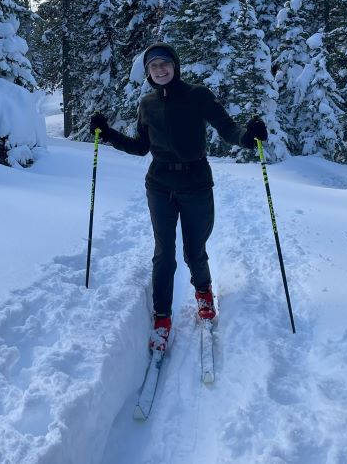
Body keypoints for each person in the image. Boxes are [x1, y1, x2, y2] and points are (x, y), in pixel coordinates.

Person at [90, 42, 268, 352]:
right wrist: (107, 134)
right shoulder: (147, 104)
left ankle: (203, 293)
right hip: (159, 183)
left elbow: (227, 128)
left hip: (196, 182)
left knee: (194, 249)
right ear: (148, 72)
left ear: (175, 66)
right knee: (164, 252)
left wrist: (248, 136)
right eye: (153, 66)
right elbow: (140, 147)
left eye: (164, 64)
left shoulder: (197, 95)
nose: (160, 70)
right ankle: (162, 316)